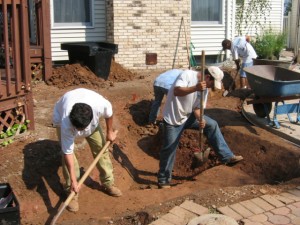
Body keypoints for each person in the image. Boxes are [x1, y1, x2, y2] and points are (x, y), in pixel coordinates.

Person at [157, 66, 244, 188]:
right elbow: (177, 91)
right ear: (208, 77)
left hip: (188, 116)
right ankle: (164, 179)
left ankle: (226, 157)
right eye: (212, 83)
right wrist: (195, 88)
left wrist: (200, 119)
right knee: (169, 148)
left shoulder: (205, 90)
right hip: (173, 118)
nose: (210, 87)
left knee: (212, 124)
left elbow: (197, 108)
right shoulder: (187, 75)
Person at [52, 88, 122, 212]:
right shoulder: (65, 122)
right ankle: (72, 192)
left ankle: (108, 183)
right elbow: (68, 152)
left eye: (82, 129)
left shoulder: (100, 106)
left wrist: (109, 132)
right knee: (68, 158)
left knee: (102, 150)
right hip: (64, 117)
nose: (79, 133)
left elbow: (109, 114)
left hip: (91, 124)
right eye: (77, 129)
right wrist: (74, 180)